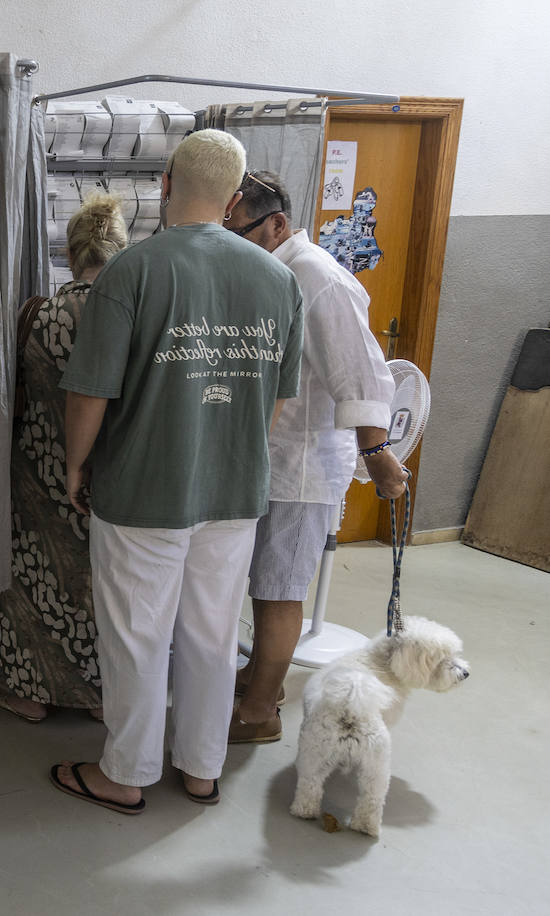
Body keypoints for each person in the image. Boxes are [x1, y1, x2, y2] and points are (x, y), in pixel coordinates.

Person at [49, 130, 303, 814]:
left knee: (137, 636)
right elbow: (278, 398)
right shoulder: (279, 278)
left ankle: (125, 773)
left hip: (142, 490)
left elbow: (89, 393)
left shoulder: (130, 272)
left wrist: (76, 466)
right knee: (213, 634)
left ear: (164, 182)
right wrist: (232, 451)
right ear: (235, 194)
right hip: (235, 489)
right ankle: (200, 768)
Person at [224, 169, 409, 743]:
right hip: (269, 457)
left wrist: (377, 452)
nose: (236, 250)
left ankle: (259, 714)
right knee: (262, 584)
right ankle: (261, 678)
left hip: (300, 465)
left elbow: (360, 372)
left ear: (278, 223)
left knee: (278, 592)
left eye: (244, 235)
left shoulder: (319, 277)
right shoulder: (274, 270)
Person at [0, 193, 130, 723]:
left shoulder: (41, 312)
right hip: (112, 470)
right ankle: (100, 696)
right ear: (122, 251)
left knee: (34, 576)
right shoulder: (131, 312)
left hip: (38, 463)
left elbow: (13, 391)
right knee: (108, 584)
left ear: (71, 254)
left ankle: (28, 693)